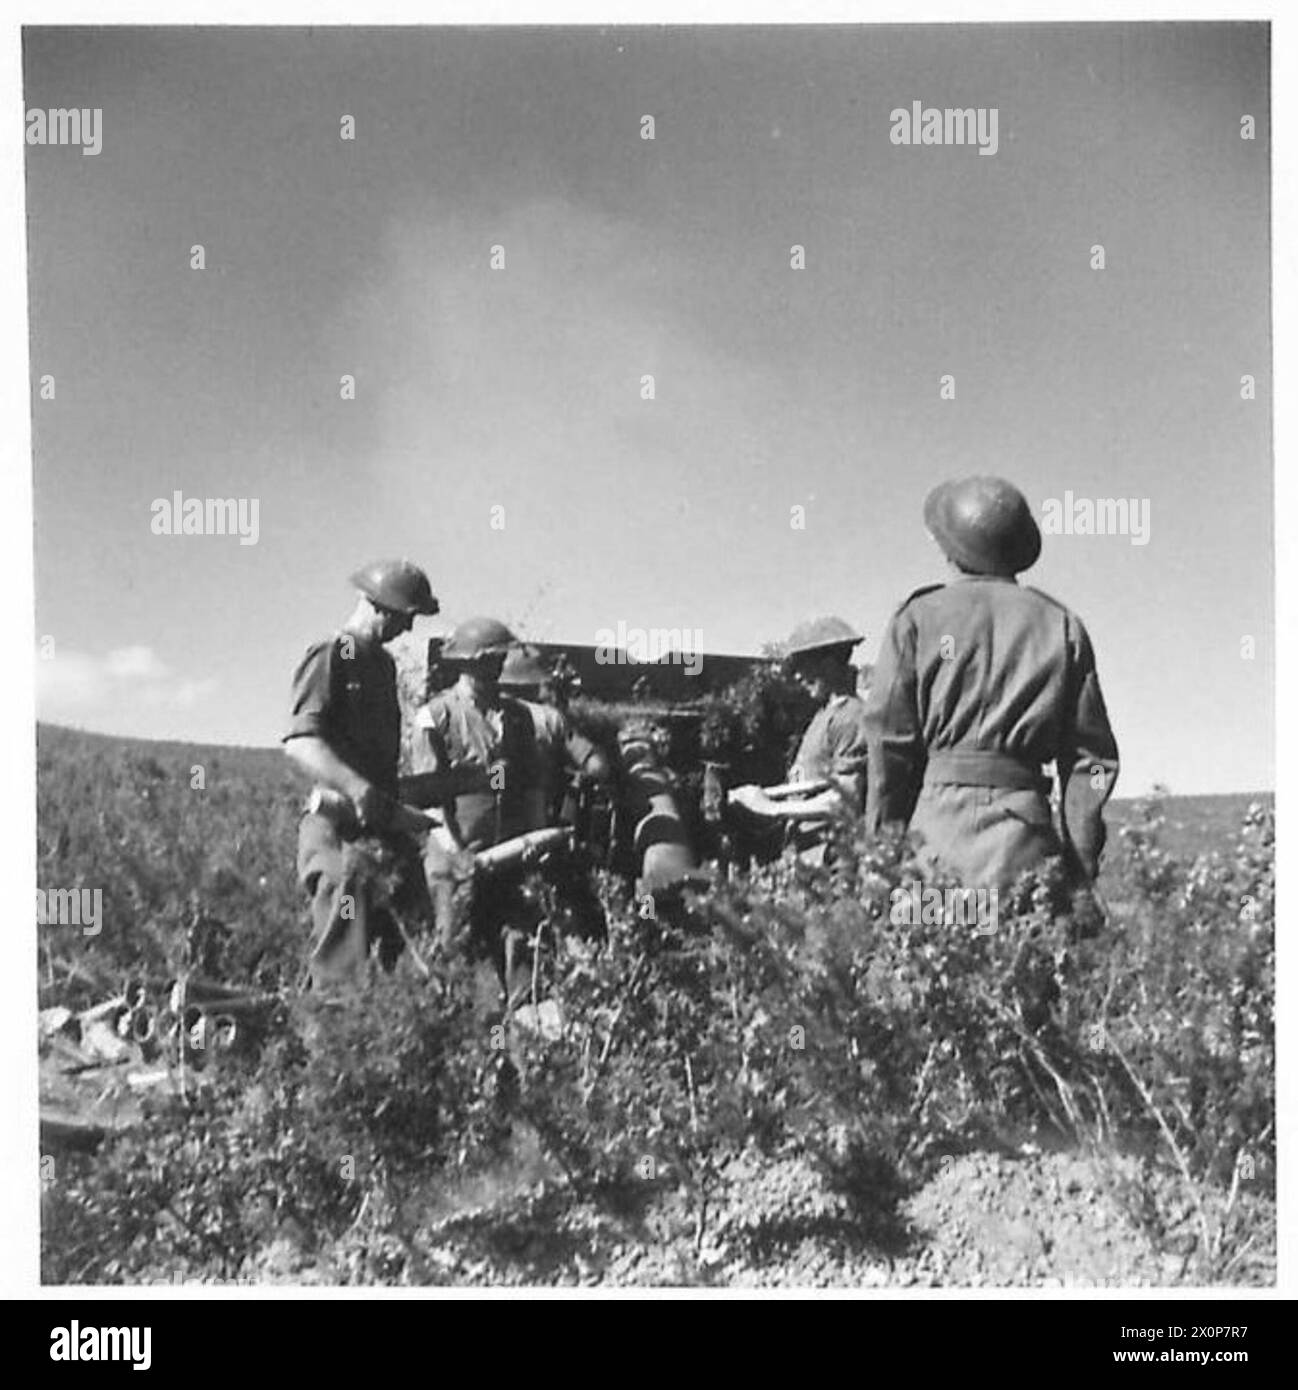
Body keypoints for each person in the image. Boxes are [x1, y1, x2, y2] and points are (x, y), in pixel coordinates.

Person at [863, 476, 1120, 892]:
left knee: (933, 949)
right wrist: (1079, 864)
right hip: (1027, 849)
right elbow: (1092, 764)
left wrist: (880, 860)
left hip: (934, 849)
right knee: (1027, 948)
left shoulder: (917, 619)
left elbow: (888, 747)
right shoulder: (1061, 624)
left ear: (950, 550)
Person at [283, 560, 441, 990]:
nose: (407, 629)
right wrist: (356, 788)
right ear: (379, 606)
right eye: (403, 618)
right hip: (338, 833)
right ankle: (332, 1046)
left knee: (408, 954)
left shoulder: (382, 666)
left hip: (382, 835)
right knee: (343, 966)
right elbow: (301, 743)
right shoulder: (332, 655)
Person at [728, 616, 871, 863]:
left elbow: (846, 799)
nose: (796, 677)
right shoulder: (824, 715)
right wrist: (756, 796)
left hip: (833, 864)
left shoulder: (851, 718)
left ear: (827, 664)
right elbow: (813, 784)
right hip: (807, 859)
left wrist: (771, 808)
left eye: (801, 666)